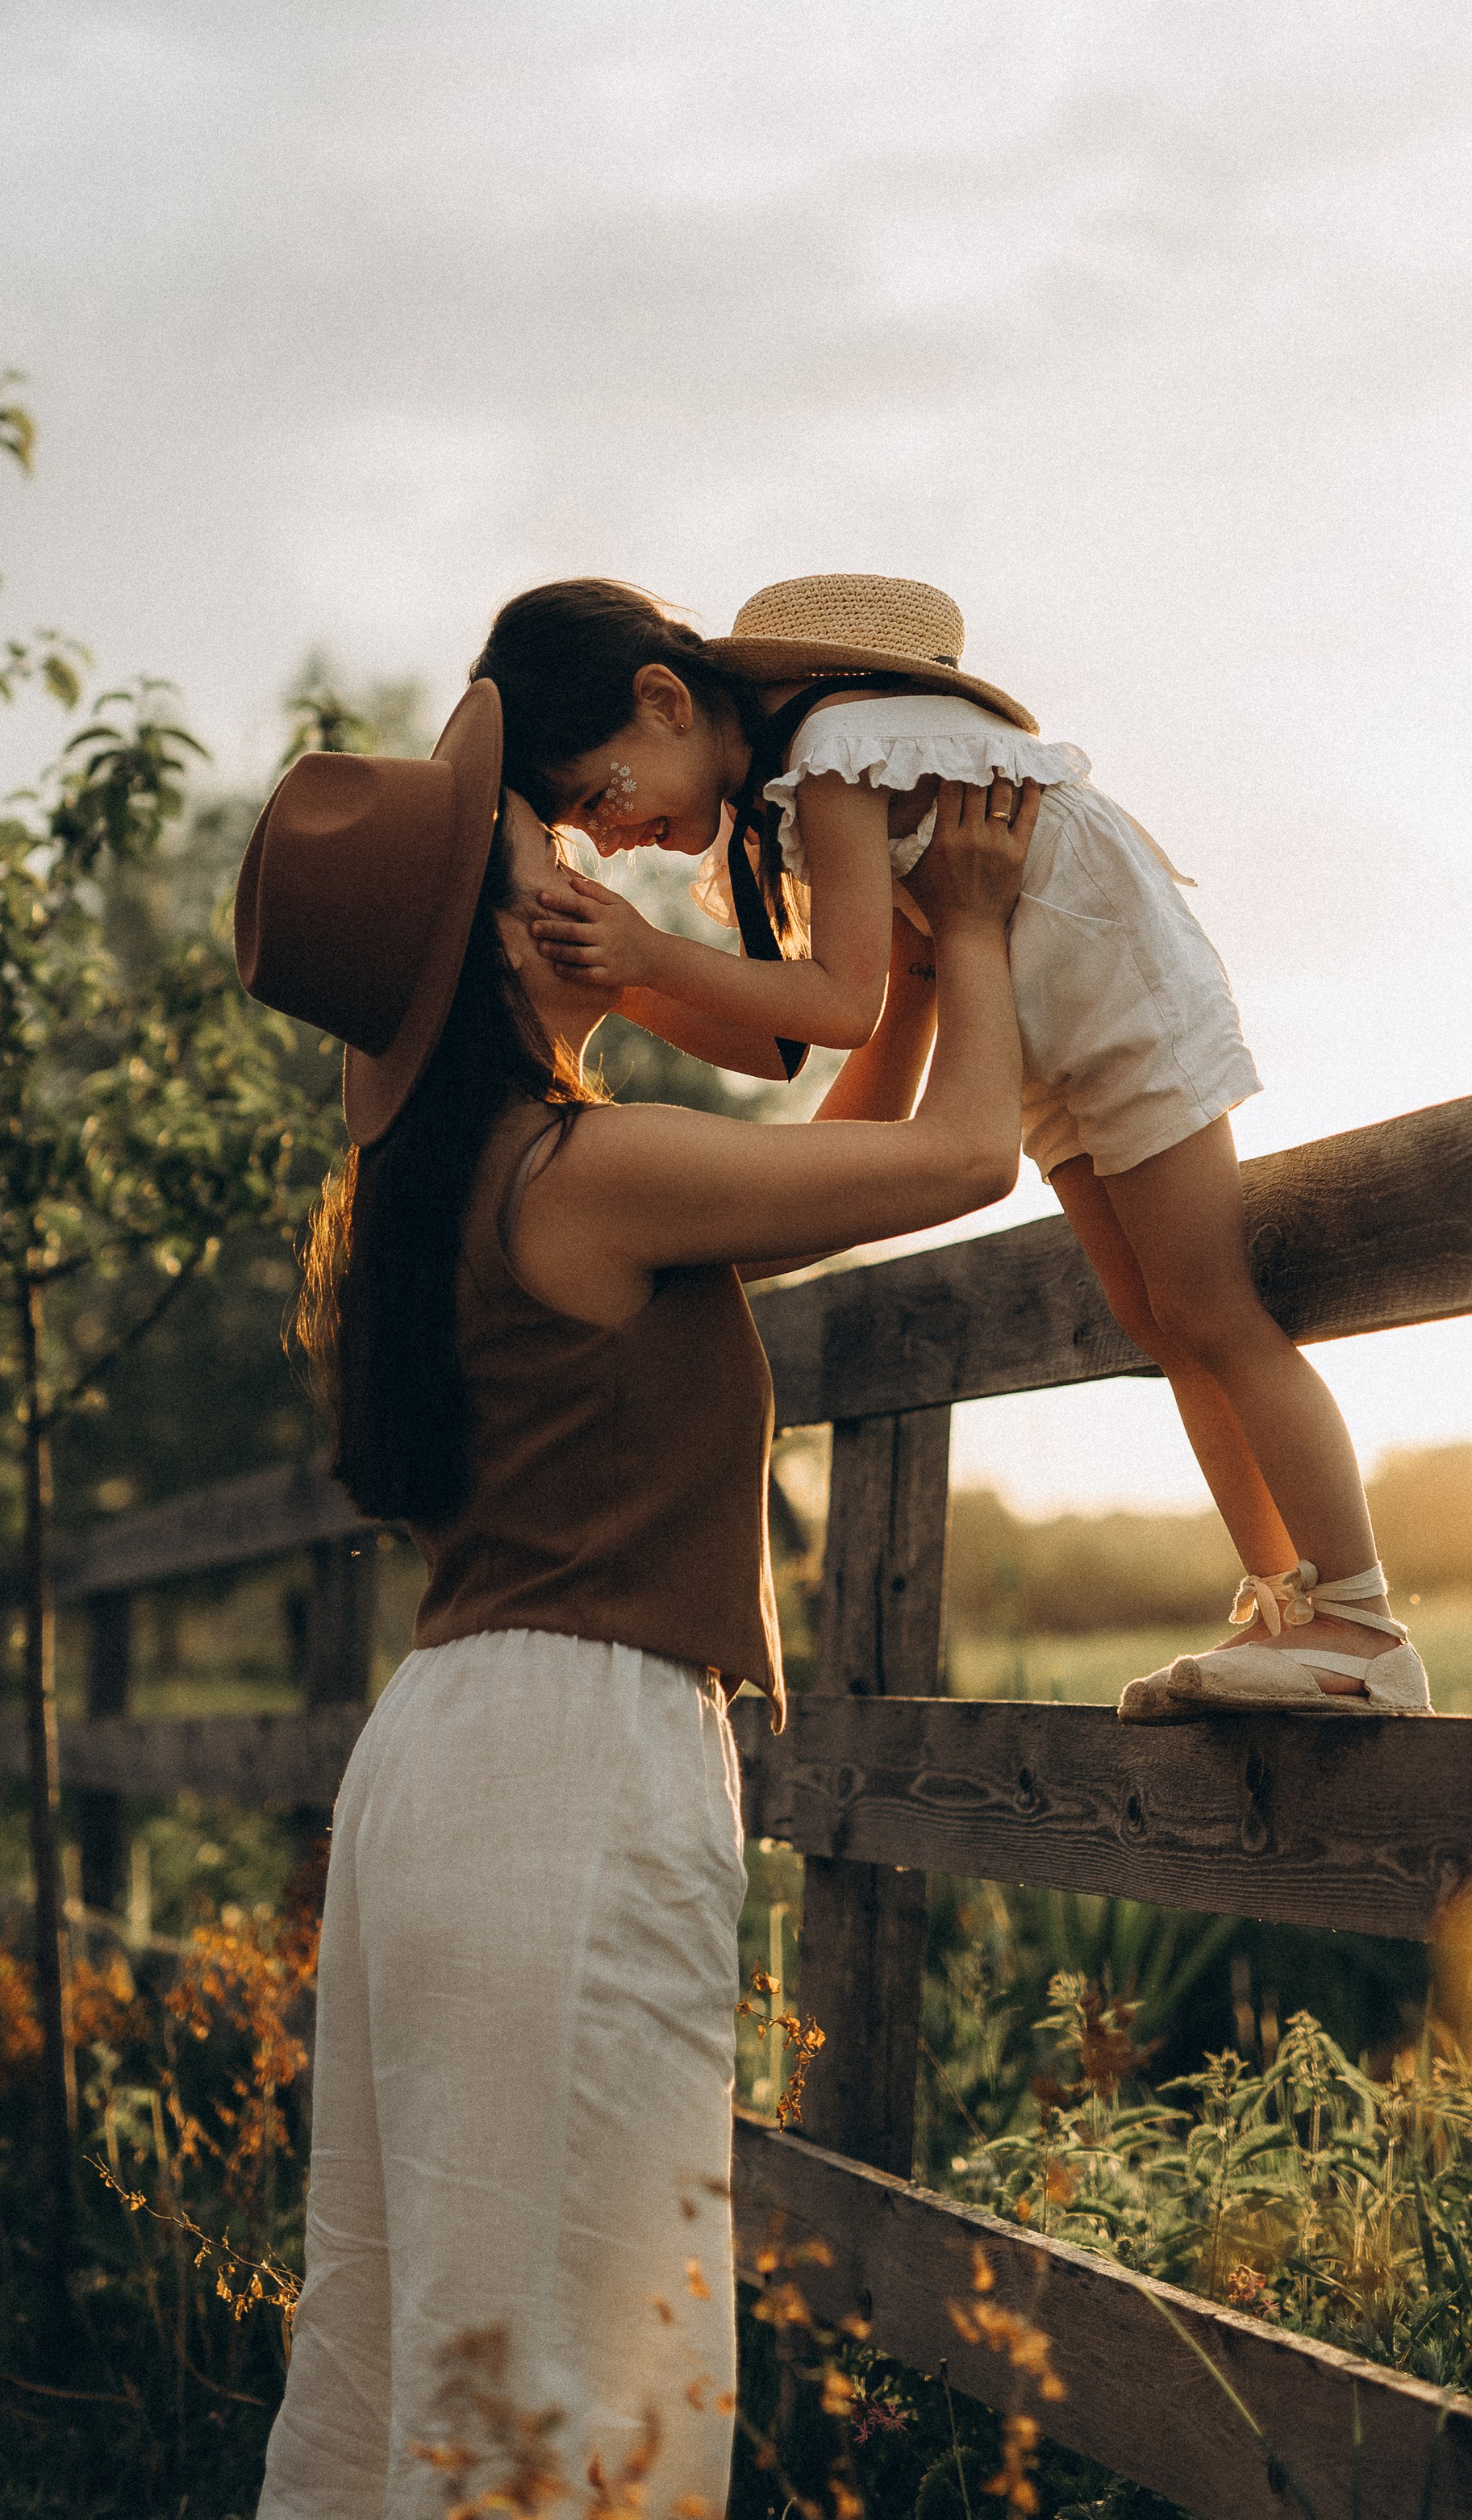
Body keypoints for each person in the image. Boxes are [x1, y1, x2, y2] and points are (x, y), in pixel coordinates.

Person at [236, 677, 1039, 2520]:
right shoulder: (583, 1170)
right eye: (547, 841)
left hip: (449, 1759)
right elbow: (961, 1159)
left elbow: (838, 1173)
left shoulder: (480, 1185)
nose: (591, 852)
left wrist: (902, 973)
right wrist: (976, 926)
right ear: (505, 937)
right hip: (566, 1771)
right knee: (567, 2349)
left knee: (421, 2324)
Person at [472, 572, 1432, 1723]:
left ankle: (1366, 1624)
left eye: (598, 796)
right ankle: (1290, 1610)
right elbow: (781, 1046)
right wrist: (623, 974)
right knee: (1156, 1322)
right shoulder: (786, 807)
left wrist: (644, 955)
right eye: (581, 831)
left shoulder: (832, 751)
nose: (612, 839)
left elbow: (839, 1003)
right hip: (1045, 1025)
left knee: (1211, 1303)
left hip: (1118, 993)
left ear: (666, 700)